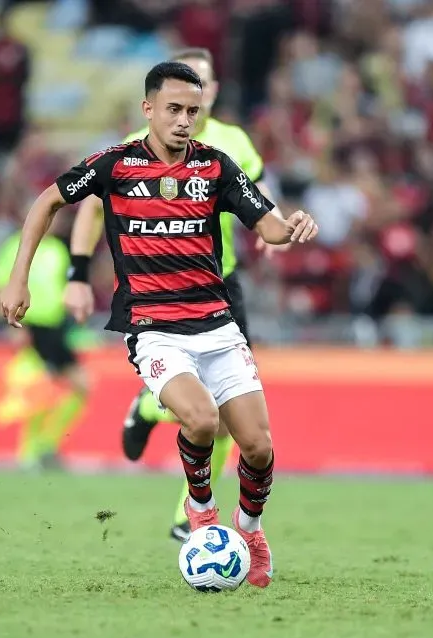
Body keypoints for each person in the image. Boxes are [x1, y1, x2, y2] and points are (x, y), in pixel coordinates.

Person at [0, 62, 320, 588]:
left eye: (192, 111)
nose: (183, 120)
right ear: (148, 109)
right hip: (155, 327)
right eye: (173, 109)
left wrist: (293, 226)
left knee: (259, 447)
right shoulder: (115, 165)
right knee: (201, 420)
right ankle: (202, 515)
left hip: (217, 325)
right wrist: (20, 280)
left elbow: (269, 225)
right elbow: (48, 201)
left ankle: (251, 531)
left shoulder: (217, 166)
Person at [64, 47, 285, 542]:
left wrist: (280, 230)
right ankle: (190, 502)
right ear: (157, 103)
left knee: (233, 422)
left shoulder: (230, 146)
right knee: (201, 413)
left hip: (219, 289)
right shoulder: (131, 151)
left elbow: (263, 195)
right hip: (155, 299)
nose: (190, 108)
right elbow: (89, 206)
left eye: (199, 94)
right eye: (179, 101)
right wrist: (78, 272)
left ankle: (189, 500)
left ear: (211, 93)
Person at [0, 229, 89, 469]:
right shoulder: (14, 247)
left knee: (81, 386)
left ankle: (45, 446)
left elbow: (64, 290)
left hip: (55, 329)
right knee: (40, 390)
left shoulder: (59, 250)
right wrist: (9, 324)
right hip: (27, 326)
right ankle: (29, 453)